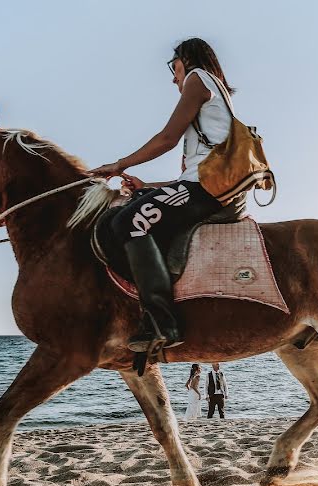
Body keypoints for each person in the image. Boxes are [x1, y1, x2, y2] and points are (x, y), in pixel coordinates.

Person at [87, 38, 238, 353]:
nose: (174, 77)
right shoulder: (215, 99)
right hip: (200, 186)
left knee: (128, 222)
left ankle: (162, 322)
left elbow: (167, 138)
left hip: (205, 190)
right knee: (125, 213)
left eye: (174, 67)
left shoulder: (198, 78)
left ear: (187, 58)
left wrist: (120, 164)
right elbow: (182, 181)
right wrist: (146, 187)